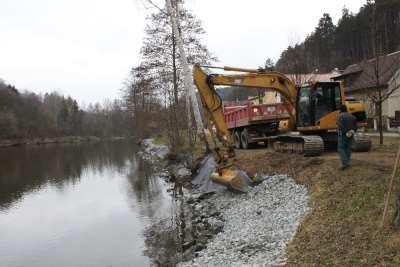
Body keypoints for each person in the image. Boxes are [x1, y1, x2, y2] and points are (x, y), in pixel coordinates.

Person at [337, 104, 357, 170]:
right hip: (351, 134)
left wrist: (342, 132)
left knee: (341, 148)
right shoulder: (352, 116)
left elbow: (340, 126)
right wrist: (352, 131)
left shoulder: (340, 116)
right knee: (348, 148)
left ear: (340, 110)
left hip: (343, 135)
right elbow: (355, 126)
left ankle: (344, 163)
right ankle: (347, 162)